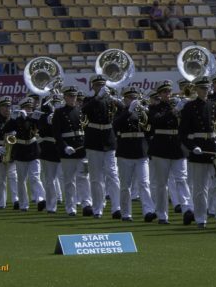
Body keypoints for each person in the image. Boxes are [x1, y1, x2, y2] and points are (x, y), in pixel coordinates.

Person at [180, 75, 216, 229]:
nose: (206, 90)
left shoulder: (215, 105)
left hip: (214, 149)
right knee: (200, 188)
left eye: (207, 87)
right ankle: (201, 218)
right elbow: (182, 132)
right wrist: (191, 146)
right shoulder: (189, 107)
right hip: (199, 150)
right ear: (196, 89)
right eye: (202, 88)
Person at [148, 80, 192, 225]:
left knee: (182, 179)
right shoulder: (155, 108)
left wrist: (185, 108)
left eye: (168, 91)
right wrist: (174, 111)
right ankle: (162, 214)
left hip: (177, 147)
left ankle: (187, 209)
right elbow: (156, 121)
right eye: (164, 92)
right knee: (162, 184)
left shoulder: (178, 105)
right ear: (159, 94)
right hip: (161, 147)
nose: (168, 94)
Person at [81, 74, 122, 219]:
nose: (101, 87)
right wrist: (98, 97)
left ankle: (117, 207)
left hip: (109, 138)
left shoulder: (110, 99)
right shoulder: (89, 99)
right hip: (94, 139)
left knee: (113, 174)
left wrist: (114, 100)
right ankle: (98, 208)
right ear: (93, 86)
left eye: (102, 84)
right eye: (98, 85)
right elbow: (84, 110)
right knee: (96, 177)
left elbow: (123, 110)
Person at [114, 86, 156, 222]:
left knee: (144, 183)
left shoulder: (143, 111)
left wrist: (146, 113)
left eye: (135, 98)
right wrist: (128, 111)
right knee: (126, 185)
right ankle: (126, 213)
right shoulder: (119, 110)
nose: (133, 100)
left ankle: (148, 211)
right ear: (125, 99)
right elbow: (115, 126)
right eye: (130, 98)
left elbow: (150, 129)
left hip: (141, 150)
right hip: (125, 151)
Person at [51, 86, 92, 216]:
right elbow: (56, 134)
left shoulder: (81, 111)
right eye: (70, 96)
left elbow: (86, 131)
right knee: (69, 181)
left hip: (81, 149)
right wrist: (64, 146)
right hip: (68, 150)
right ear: (65, 97)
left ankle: (86, 204)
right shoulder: (59, 112)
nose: (73, 98)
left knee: (84, 178)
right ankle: (71, 207)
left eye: (74, 96)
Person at [6, 97, 45, 212]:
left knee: (35, 177)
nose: (29, 109)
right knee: (21, 179)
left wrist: (31, 117)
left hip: (33, 149)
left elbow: (38, 128)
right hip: (20, 150)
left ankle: (41, 200)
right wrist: (13, 118)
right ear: (21, 108)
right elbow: (6, 130)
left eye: (30, 107)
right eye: (26, 107)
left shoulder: (34, 118)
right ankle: (23, 204)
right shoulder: (16, 119)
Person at [0, 96, 19, 208]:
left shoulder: (14, 121)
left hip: (11, 151)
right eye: (4, 107)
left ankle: (16, 200)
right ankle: (1, 201)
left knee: (13, 177)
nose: (7, 109)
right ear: (0, 108)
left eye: (9, 107)